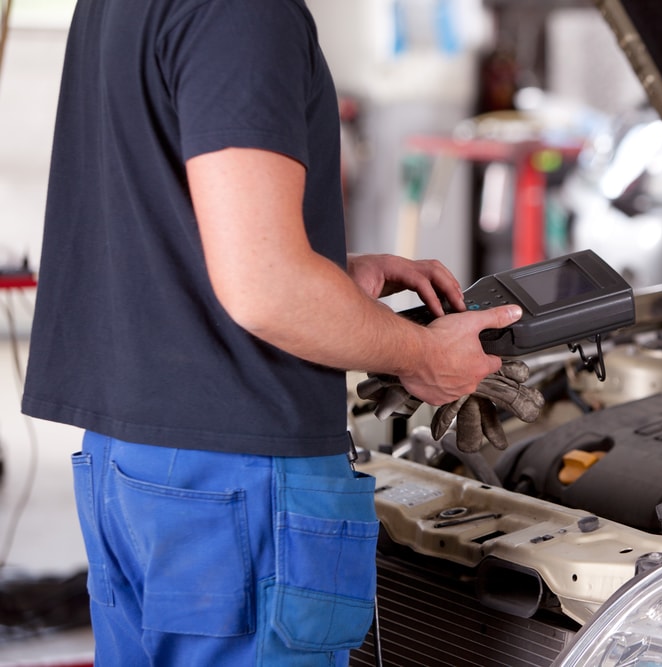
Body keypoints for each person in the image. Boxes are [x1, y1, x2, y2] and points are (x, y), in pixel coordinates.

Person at [21, 0, 521, 664]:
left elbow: (163, 216)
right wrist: (423, 353)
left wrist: (332, 274)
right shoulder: (244, 11)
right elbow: (265, 288)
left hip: (130, 459)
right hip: (233, 477)